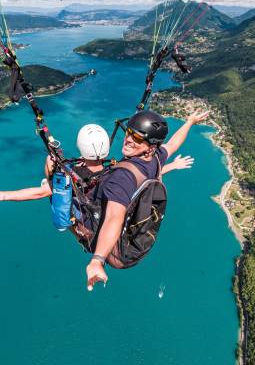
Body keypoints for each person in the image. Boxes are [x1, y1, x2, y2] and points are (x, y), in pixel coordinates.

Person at [84, 109, 209, 291]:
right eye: (129, 132)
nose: (128, 139)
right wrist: (189, 122)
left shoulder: (122, 177)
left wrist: (97, 260)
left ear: (150, 146)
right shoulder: (155, 158)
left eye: (137, 138)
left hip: (92, 222)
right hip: (131, 232)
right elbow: (173, 144)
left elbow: (113, 217)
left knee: (55, 176)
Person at [0, 123, 195, 206]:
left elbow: (39, 193)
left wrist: (0, 196)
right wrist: (172, 165)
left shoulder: (74, 176)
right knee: (49, 179)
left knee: (49, 178)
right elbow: (171, 145)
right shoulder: (118, 170)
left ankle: (50, 178)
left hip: (84, 211)